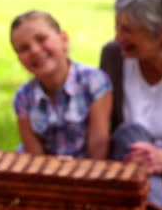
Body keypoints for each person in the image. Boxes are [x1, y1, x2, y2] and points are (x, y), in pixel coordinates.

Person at [100, 0, 162, 209]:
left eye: (127, 30)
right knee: (130, 134)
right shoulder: (113, 56)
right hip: (131, 174)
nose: (118, 37)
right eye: (116, 25)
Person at [10, 10, 113, 159]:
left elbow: (99, 147)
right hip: (45, 175)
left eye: (41, 39)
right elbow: (34, 157)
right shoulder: (23, 97)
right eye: (24, 48)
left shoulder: (94, 82)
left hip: (89, 171)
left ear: (64, 39)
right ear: (19, 59)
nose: (35, 50)